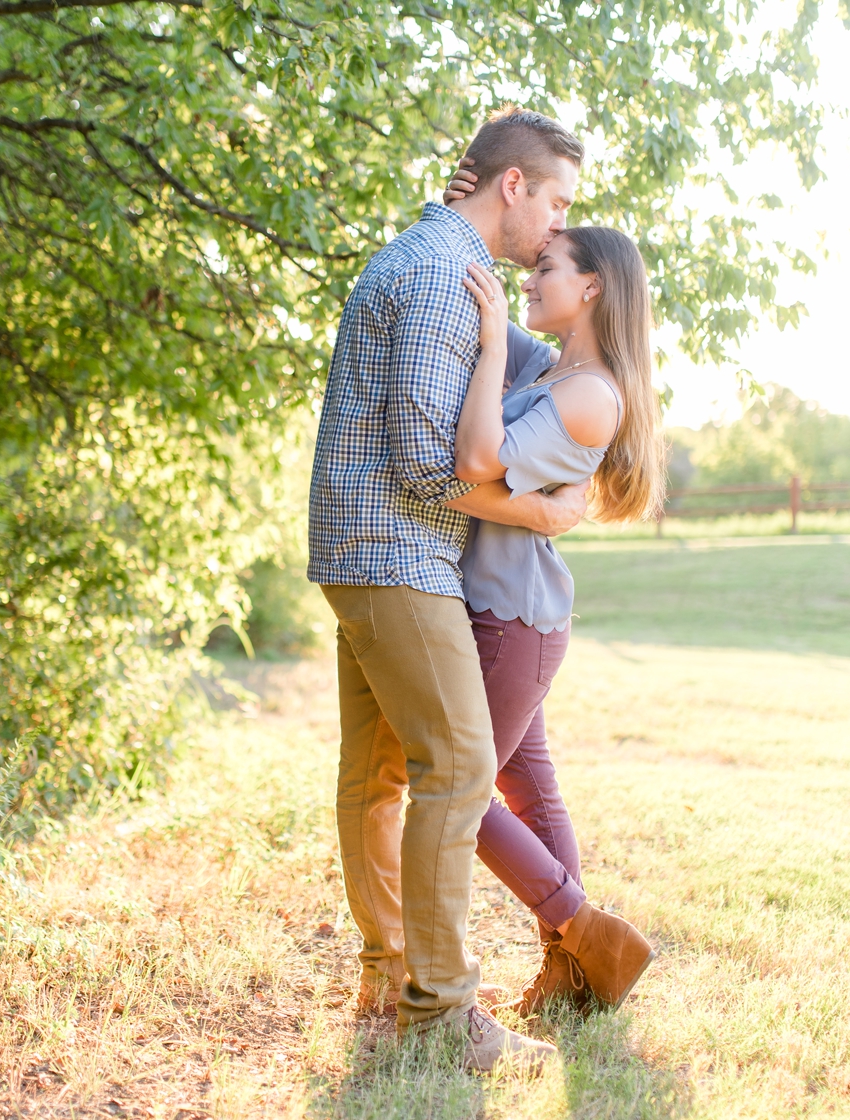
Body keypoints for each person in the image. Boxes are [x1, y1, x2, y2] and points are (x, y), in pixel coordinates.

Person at [306, 107, 590, 1073]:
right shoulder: (440, 279)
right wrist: (544, 514)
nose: (556, 226)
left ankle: (389, 982)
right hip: (398, 553)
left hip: (363, 549)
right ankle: (438, 1013)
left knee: (376, 777)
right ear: (513, 185)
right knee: (463, 769)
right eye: (554, 200)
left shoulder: (416, 261)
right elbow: (434, 468)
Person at [449, 208, 667, 1016]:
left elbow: (476, 462)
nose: (528, 280)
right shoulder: (556, 372)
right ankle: (575, 975)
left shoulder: (588, 399)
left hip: (512, 621)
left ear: (592, 287)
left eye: (549, 268)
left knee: (459, 796)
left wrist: (511, 505)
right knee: (529, 791)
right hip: (512, 612)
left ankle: (588, 932)